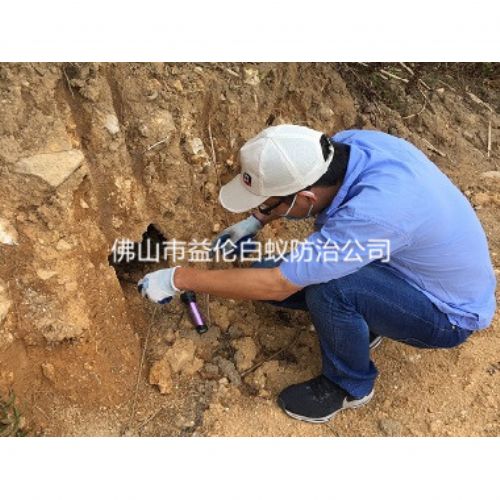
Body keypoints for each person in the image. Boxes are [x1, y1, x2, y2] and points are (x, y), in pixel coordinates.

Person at [138, 124, 496, 423]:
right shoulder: (349, 146)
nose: (263, 208)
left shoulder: (371, 216)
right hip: (404, 264)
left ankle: (349, 385)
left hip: (446, 313)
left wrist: (178, 279)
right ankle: (367, 318)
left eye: (267, 203)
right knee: (271, 273)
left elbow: (277, 285)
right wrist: (257, 220)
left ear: (307, 199)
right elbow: (283, 250)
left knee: (330, 289)